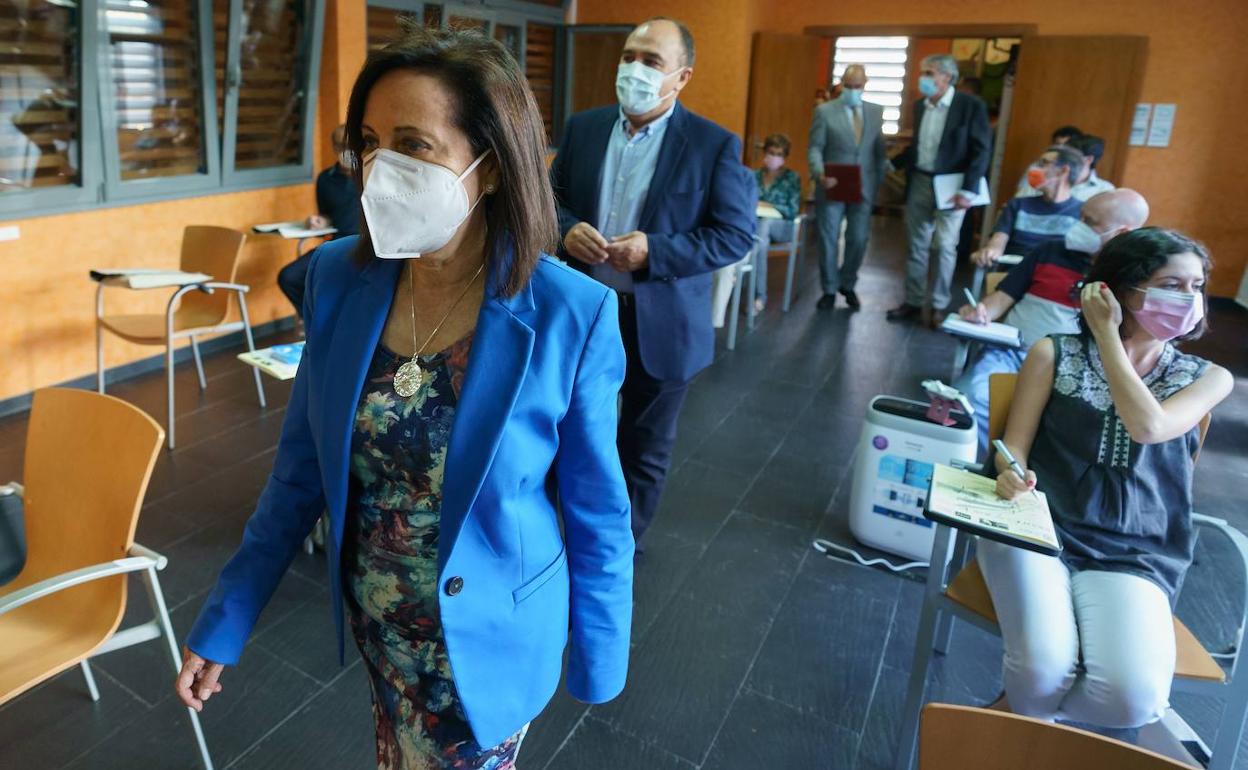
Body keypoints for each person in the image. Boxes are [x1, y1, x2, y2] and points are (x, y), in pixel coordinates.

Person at [176, 27, 635, 769]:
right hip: (381, 632)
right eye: (369, 141)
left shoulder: (568, 312)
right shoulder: (337, 278)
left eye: (415, 145)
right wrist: (227, 618)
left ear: (488, 166)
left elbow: (596, 505)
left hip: (489, 639)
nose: (381, 168)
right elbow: (299, 470)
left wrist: (600, 658)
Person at [979, 226, 1232, 728]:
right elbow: (1014, 448)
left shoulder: (1207, 377)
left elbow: (1148, 425)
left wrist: (1106, 340)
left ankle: (1014, 719)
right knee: (1041, 667)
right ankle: (1024, 733)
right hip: (1039, 528)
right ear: (1117, 289)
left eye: (1196, 286)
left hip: (1136, 549)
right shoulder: (1053, 353)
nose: (1189, 299)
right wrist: (1012, 474)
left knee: (1133, 699)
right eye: (1172, 284)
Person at [550, 18, 755, 553]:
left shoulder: (713, 146)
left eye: (651, 62)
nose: (634, 70)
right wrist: (567, 229)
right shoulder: (585, 128)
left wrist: (655, 251)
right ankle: (559, 533)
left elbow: (734, 235)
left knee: (643, 444)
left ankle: (617, 547)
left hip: (660, 320)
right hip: (584, 309)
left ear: (681, 77)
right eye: (629, 55)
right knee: (569, 427)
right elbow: (550, 201)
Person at [953, 189, 1149, 454]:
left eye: (1090, 223)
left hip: (1078, 369)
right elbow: (1001, 298)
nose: (1078, 226)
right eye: (1080, 217)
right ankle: (979, 473)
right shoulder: (1050, 251)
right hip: (1013, 354)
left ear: (1121, 233)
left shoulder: (1132, 280)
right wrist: (980, 311)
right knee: (968, 400)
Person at [888, 54, 992, 326]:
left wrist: (968, 191)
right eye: (923, 72)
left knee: (946, 245)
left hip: (953, 185)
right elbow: (918, 147)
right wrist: (893, 162)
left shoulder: (970, 106)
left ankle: (939, 305)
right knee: (916, 246)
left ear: (947, 77)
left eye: (929, 73)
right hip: (921, 180)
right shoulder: (920, 106)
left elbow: (981, 150)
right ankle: (913, 300)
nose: (923, 78)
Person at [807, 63, 887, 310]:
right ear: (842, 84)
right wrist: (819, 173)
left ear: (865, 84)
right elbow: (815, 147)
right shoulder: (825, 111)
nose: (853, 90)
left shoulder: (875, 112)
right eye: (849, 86)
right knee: (828, 237)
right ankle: (829, 288)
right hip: (832, 182)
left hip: (865, 184)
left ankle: (848, 282)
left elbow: (878, 150)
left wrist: (880, 180)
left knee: (859, 238)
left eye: (858, 86)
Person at [276, 124, 362, 317]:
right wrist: (318, 221)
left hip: (367, 247)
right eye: (340, 146)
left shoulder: (372, 175)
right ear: (334, 148)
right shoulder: (326, 179)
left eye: (350, 145)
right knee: (289, 277)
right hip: (337, 246)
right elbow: (327, 215)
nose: (346, 151)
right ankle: (317, 323)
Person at [971, 145, 1085, 268]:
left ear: (1063, 171)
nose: (1033, 168)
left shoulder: (1082, 211)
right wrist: (990, 251)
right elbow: (998, 240)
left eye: (1043, 163)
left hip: (1054, 276)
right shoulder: (1017, 204)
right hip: (1013, 272)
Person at [752, 133, 801, 312]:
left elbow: (792, 210)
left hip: (783, 228)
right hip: (756, 229)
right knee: (761, 239)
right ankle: (759, 296)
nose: (774, 157)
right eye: (771, 152)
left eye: (779, 154)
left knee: (764, 225)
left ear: (785, 157)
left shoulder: (792, 178)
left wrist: (768, 205)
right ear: (765, 153)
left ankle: (742, 268)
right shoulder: (753, 176)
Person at [1017, 134, 1115, 202]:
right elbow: (1016, 206)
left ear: (1088, 159)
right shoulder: (1044, 179)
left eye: (1072, 154)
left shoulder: (1105, 190)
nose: (1064, 157)